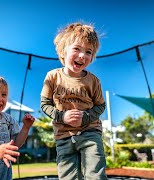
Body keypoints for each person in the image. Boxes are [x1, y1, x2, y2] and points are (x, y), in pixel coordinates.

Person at [40, 22, 107, 180]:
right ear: (63, 50)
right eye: (77, 48)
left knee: (95, 175)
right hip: (63, 135)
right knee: (68, 177)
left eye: (88, 51)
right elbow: (45, 104)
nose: (82, 55)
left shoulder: (93, 81)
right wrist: (62, 117)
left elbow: (100, 106)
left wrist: (86, 117)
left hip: (91, 133)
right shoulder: (52, 77)